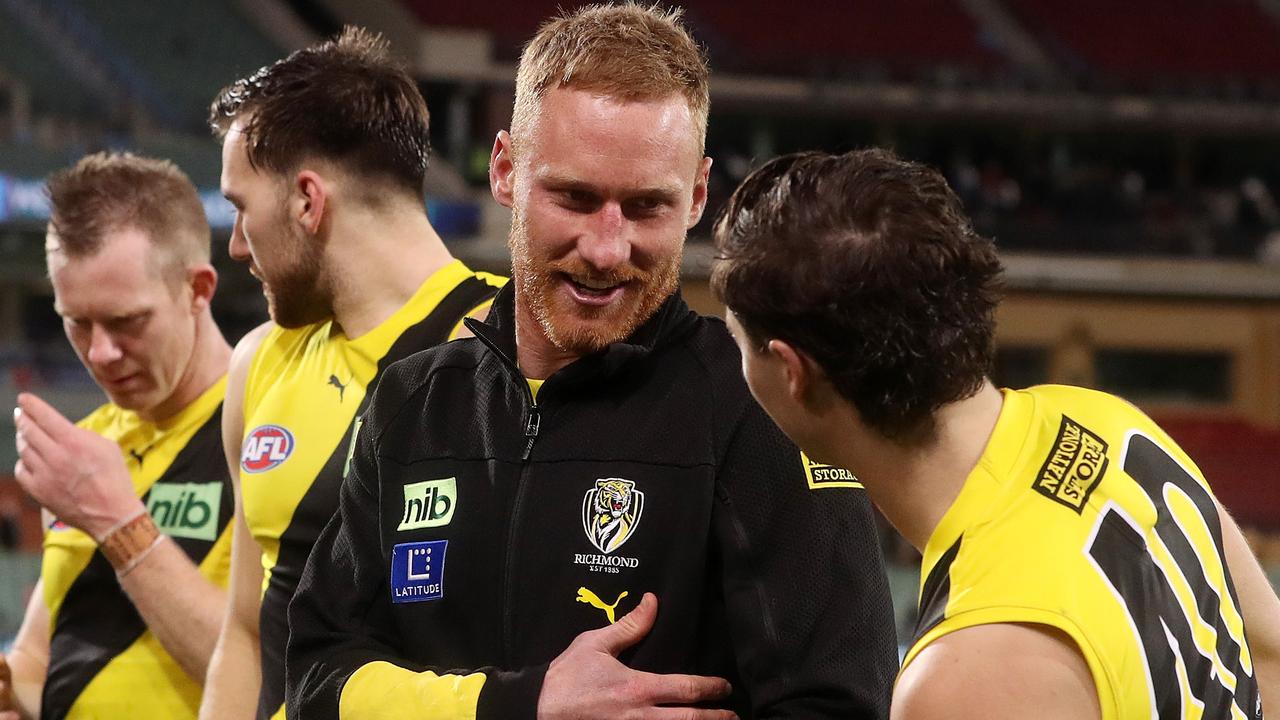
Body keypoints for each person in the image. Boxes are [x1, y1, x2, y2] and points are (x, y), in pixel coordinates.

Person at [286, 6, 898, 719]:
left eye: (646, 207)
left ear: (697, 195)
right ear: (506, 170)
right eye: (575, 198)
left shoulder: (762, 410)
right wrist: (512, 705)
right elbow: (317, 680)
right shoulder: (413, 404)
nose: (608, 249)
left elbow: (842, 705)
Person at [712, 148, 1280, 719]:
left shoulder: (968, 677)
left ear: (792, 373)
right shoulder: (1109, 421)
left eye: (739, 344)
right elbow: (1270, 657)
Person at [198, 27, 505, 720]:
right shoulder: (257, 363)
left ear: (308, 201)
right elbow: (245, 633)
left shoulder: (503, 352)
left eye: (241, 209)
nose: (236, 246)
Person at [3, 152, 234, 719]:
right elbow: (36, 661)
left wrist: (119, 525)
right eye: (76, 322)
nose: (100, 353)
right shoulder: (87, 445)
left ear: (198, 289)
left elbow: (276, 672)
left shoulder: (269, 430)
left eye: (127, 321)